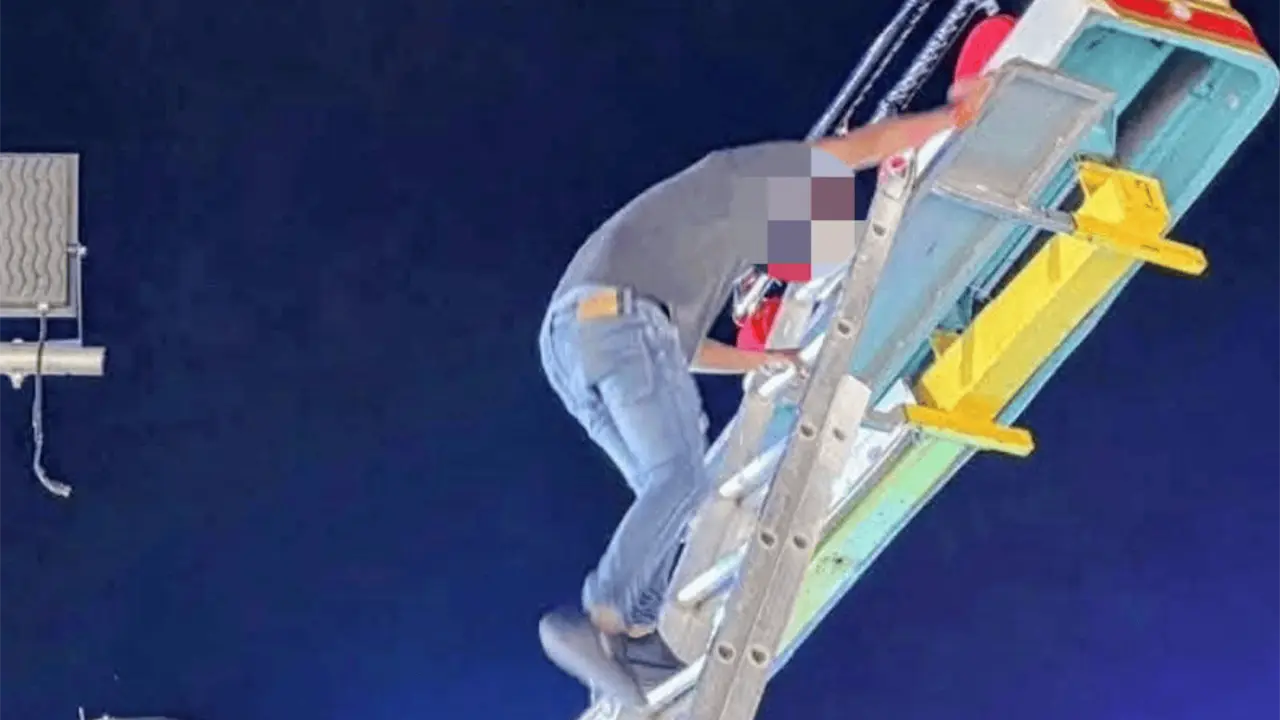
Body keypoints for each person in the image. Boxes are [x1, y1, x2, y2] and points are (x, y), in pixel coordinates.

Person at [537, 77, 992, 706]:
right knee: (680, 477)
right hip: (618, 320)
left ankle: (637, 639)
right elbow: (863, 147)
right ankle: (602, 617)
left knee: (666, 491)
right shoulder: (742, 178)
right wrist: (953, 116)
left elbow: (682, 348)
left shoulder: (700, 246)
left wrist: (760, 358)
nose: (786, 260)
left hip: (572, 344)